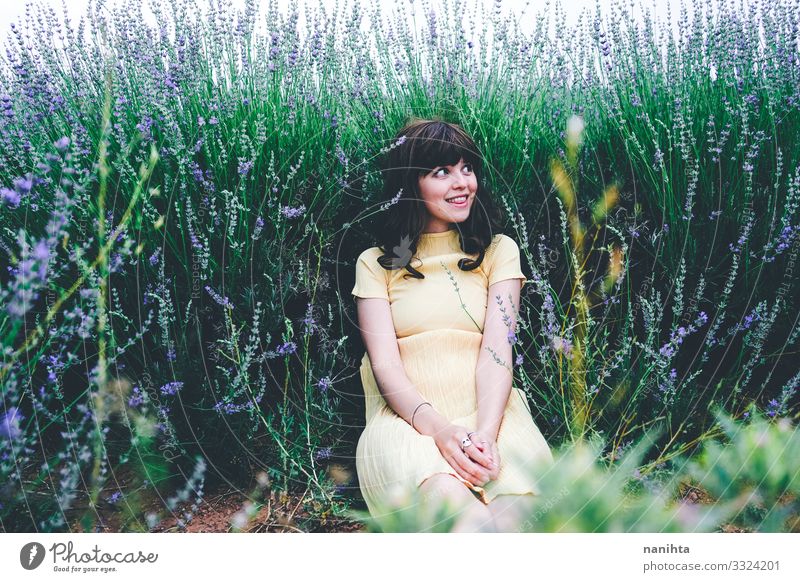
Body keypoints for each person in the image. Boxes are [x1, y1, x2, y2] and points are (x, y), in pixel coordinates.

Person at [351, 118, 553, 532]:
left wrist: (483, 436)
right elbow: (385, 368)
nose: (461, 183)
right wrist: (442, 431)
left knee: (518, 526)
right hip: (406, 425)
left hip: (492, 415)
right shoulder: (375, 263)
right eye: (441, 172)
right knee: (469, 526)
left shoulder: (498, 252)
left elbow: (499, 354)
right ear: (411, 185)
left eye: (466, 168)